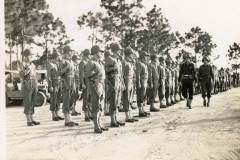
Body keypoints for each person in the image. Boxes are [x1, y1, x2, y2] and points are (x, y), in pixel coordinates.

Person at [86, 45, 108, 133]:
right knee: (95, 106)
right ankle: (96, 126)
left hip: (101, 84)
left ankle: (99, 124)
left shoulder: (99, 62)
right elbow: (88, 75)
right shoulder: (91, 62)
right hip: (95, 85)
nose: (102, 53)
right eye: (100, 52)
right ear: (95, 52)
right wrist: (95, 74)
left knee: (100, 106)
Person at [104, 43, 125, 127]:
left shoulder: (118, 60)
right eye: (119, 50)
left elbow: (121, 73)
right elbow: (105, 70)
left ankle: (116, 119)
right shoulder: (109, 58)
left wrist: (122, 83)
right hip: (112, 81)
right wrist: (113, 68)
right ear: (115, 50)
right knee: (113, 101)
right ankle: (112, 120)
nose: (120, 51)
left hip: (118, 81)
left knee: (117, 101)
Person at [20, 49, 40, 126]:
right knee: (27, 102)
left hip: (33, 83)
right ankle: (28, 120)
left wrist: (36, 85)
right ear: (25, 56)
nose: (31, 56)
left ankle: (32, 118)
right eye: (30, 55)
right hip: (27, 83)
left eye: (32, 55)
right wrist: (27, 69)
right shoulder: (23, 64)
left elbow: (35, 75)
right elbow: (22, 75)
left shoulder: (32, 64)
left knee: (32, 101)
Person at [60, 46, 78, 127]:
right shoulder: (63, 61)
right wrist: (66, 67)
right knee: (66, 100)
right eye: (70, 51)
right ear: (66, 52)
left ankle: (69, 119)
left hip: (72, 81)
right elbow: (60, 72)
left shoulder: (70, 61)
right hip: (66, 81)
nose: (71, 52)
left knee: (71, 99)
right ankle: (67, 120)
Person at [122, 47, 139, 122]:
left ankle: (130, 114)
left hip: (131, 81)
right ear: (128, 54)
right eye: (132, 54)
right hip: (126, 81)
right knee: (126, 98)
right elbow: (121, 74)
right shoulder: (124, 62)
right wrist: (123, 83)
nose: (133, 55)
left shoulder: (130, 62)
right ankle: (127, 116)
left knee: (130, 99)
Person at [47, 49, 64, 121]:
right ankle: (53, 115)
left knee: (58, 99)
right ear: (55, 57)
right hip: (53, 83)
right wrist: (50, 86)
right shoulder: (50, 64)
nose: (59, 58)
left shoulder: (57, 64)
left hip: (59, 83)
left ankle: (57, 113)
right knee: (53, 99)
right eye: (58, 57)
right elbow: (49, 76)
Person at [136, 51, 150, 117]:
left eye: (147, 56)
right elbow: (138, 74)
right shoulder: (139, 64)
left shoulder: (145, 64)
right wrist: (138, 83)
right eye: (145, 56)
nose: (146, 57)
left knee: (143, 97)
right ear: (142, 57)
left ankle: (142, 109)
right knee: (140, 96)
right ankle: (140, 111)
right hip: (141, 82)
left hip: (145, 81)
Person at [79, 49, 92, 121]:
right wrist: (82, 83)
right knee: (86, 98)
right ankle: (86, 115)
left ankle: (89, 113)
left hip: (90, 82)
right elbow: (81, 74)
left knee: (90, 98)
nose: (89, 56)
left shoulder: (88, 62)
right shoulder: (82, 63)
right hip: (85, 82)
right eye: (88, 55)